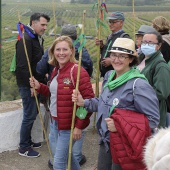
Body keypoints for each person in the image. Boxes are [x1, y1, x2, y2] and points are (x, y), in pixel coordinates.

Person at [72, 38, 160, 170]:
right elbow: (103, 103)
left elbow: (153, 120)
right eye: (113, 55)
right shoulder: (109, 76)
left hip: (124, 144)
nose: (116, 59)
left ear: (131, 59)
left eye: (122, 56)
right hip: (106, 142)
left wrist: (120, 125)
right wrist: (84, 102)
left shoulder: (139, 85)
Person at [30, 36, 94, 170]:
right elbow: (55, 94)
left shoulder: (77, 71)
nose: (61, 53)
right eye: (57, 49)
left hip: (68, 127)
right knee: (68, 159)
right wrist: (39, 86)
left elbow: (88, 102)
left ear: (71, 51)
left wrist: (78, 126)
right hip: (54, 124)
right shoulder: (56, 70)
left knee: (58, 164)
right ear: (53, 52)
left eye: (65, 49)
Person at [16, 12, 50, 157]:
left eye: (46, 25)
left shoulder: (35, 38)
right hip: (28, 85)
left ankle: (28, 142)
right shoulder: (26, 40)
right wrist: (32, 86)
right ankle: (23, 147)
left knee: (32, 113)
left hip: (36, 84)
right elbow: (23, 67)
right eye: (42, 25)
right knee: (29, 115)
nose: (45, 28)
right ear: (33, 23)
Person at [139, 31, 170, 128]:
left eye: (150, 43)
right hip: (142, 110)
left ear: (158, 46)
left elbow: (161, 93)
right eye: (144, 42)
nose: (146, 45)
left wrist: (139, 95)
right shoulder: (142, 59)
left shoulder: (160, 66)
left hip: (153, 113)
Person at [95, 11, 130, 77]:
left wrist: (111, 61)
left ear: (121, 23)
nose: (110, 24)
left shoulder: (124, 37)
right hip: (106, 75)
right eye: (110, 22)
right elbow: (107, 52)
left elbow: (127, 58)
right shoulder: (110, 36)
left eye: (114, 22)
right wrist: (102, 46)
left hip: (117, 75)